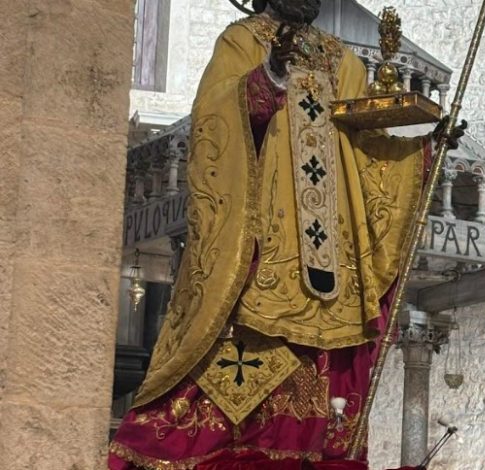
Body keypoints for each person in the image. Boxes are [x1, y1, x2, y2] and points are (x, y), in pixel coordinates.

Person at [109, 1, 464, 468]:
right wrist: (267, 79)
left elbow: (368, 152)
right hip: (263, 254)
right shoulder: (242, 42)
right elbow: (215, 126)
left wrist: (421, 148)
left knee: (321, 398)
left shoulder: (344, 61)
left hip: (331, 263)